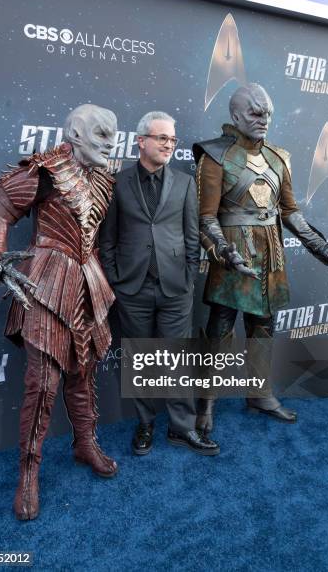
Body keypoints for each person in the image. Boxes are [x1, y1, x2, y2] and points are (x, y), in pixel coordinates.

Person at [193, 83, 328, 434]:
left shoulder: (279, 157)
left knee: (263, 327)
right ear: (235, 115)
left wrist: (321, 246)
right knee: (219, 331)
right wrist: (224, 252)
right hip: (233, 256)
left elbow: (290, 212)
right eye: (255, 112)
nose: (264, 119)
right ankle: (205, 405)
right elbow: (205, 218)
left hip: (270, 254)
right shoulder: (213, 155)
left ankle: (259, 395)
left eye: (268, 112)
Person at [0, 104, 119, 521]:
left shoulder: (104, 177)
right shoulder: (46, 169)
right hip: (46, 280)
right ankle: (28, 473)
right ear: (74, 135)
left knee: (84, 372)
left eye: (113, 136)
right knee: (42, 383)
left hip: (88, 282)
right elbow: (0, 208)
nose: (110, 145)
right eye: (100, 136)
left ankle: (85, 443)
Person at [99, 111, 219, 456]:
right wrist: (115, 279)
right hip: (132, 288)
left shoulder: (184, 182)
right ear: (141, 141)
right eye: (162, 138)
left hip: (176, 288)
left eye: (172, 139)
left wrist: (188, 276)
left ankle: (182, 428)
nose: (169, 144)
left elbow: (192, 234)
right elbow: (107, 240)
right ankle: (146, 423)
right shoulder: (116, 183)